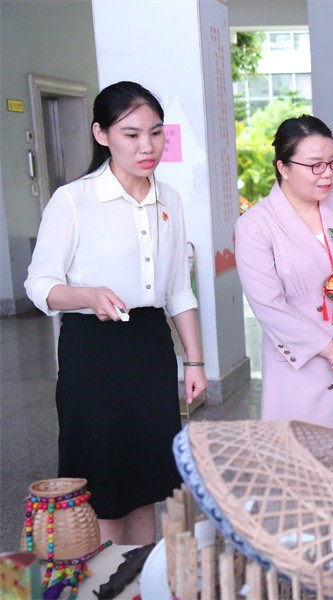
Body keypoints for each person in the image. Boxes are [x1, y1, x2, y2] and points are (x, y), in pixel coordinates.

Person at [24, 81, 206, 545]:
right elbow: (39, 285)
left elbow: (178, 290)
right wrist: (86, 295)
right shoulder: (73, 199)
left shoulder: (169, 199)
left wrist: (194, 361)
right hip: (94, 351)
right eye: (131, 134)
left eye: (156, 133)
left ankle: (141, 576)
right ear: (101, 134)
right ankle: (106, 578)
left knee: (146, 483)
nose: (148, 146)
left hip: (149, 345)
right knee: (103, 483)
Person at [235, 116, 333, 432]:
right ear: (283, 167)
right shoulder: (256, 225)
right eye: (315, 165)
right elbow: (269, 306)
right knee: (308, 453)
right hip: (302, 367)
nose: (328, 173)